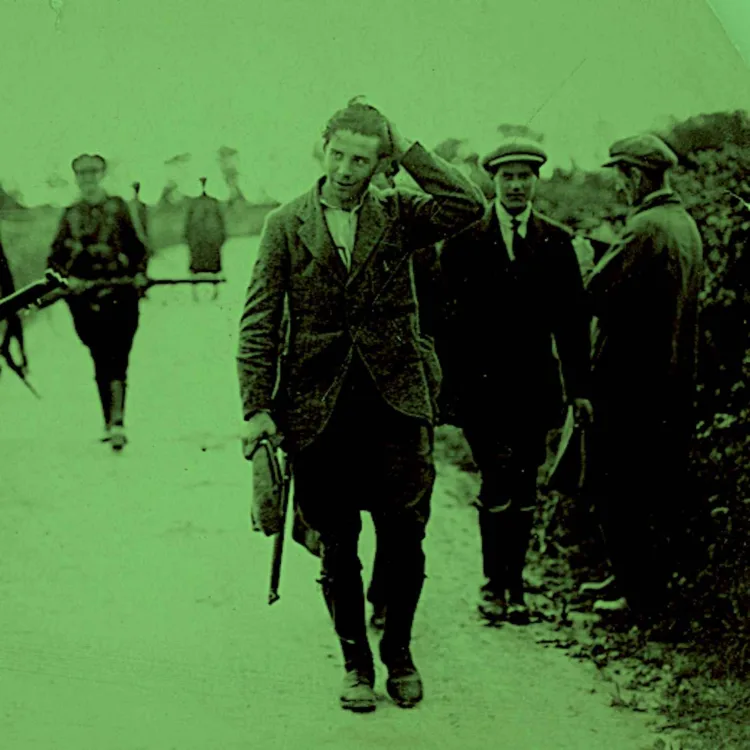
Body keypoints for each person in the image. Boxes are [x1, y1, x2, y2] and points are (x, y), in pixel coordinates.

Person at [237, 99, 484, 713]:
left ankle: (399, 653)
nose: (346, 170)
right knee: (338, 543)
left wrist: (409, 151)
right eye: (337, 155)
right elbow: (258, 322)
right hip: (317, 410)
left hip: (396, 404)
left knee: (405, 539)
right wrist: (256, 408)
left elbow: (468, 205)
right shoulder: (285, 224)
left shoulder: (399, 213)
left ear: (379, 164)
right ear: (322, 149)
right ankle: (356, 664)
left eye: (362, 160)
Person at [437, 138, 593, 625]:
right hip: (480, 391)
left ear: (535, 182)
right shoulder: (463, 241)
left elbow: (571, 324)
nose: (516, 186)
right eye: (508, 177)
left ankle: (516, 586)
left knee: (525, 486)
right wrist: (447, 392)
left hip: (533, 389)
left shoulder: (556, 241)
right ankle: (492, 584)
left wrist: (579, 390)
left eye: (524, 176)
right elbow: (445, 324)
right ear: (494, 181)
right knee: (495, 481)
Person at [585, 134, 704, 627]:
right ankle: (628, 580)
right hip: (668, 383)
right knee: (647, 489)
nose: (617, 185)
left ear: (635, 176)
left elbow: (594, 292)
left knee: (618, 491)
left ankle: (638, 598)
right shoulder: (682, 223)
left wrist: (585, 258)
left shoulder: (645, 227)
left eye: (620, 175)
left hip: (629, 386)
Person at [47, 154, 148, 451]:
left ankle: (118, 421)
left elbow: (138, 248)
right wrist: (68, 281)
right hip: (85, 300)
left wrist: (140, 274)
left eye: (92, 173)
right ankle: (109, 420)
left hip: (119, 293)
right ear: (76, 178)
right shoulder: (70, 214)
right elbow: (54, 258)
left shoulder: (118, 208)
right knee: (100, 357)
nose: (88, 179)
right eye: (82, 174)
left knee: (119, 357)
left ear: (102, 174)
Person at [184, 177, 226, 301]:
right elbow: (188, 223)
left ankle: (215, 291)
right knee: (196, 266)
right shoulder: (194, 204)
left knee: (213, 265)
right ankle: (195, 293)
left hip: (211, 241)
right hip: (198, 241)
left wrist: (221, 237)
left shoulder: (213, 203)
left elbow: (220, 222)